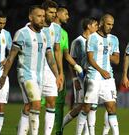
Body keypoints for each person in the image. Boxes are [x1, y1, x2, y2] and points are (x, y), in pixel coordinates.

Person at [0, 5, 61, 135]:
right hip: (25, 74)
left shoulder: (43, 34)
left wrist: (57, 76)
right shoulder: (22, 33)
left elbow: (50, 58)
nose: (42, 19)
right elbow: (11, 57)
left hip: (39, 76)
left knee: (29, 106)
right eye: (39, 16)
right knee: (36, 104)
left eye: (43, 16)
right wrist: (3, 76)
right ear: (31, 17)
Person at [77, 14, 120, 135]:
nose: (110, 27)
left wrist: (104, 55)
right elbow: (90, 59)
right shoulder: (93, 38)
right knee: (87, 108)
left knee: (111, 107)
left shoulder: (114, 39)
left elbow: (117, 60)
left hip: (108, 78)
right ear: (101, 23)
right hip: (94, 77)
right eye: (108, 24)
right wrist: (101, 70)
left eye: (112, 24)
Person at [61, 17, 98, 135]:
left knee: (90, 106)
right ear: (88, 26)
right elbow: (71, 62)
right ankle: (60, 125)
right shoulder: (78, 41)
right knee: (81, 107)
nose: (97, 27)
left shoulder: (95, 40)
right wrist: (75, 79)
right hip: (81, 78)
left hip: (92, 77)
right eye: (95, 25)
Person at [53, 6, 84, 135]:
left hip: (59, 74)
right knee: (35, 105)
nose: (68, 16)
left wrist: (77, 67)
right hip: (45, 72)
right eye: (65, 14)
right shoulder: (45, 29)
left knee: (59, 105)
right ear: (57, 14)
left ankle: (58, 131)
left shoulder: (64, 33)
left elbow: (66, 55)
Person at [40, 1, 64, 134]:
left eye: (55, 12)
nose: (53, 15)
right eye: (50, 12)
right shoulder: (34, 27)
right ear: (43, 12)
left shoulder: (57, 28)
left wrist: (59, 73)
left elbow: (57, 51)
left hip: (51, 70)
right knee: (32, 105)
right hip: (36, 69)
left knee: (51, 102)